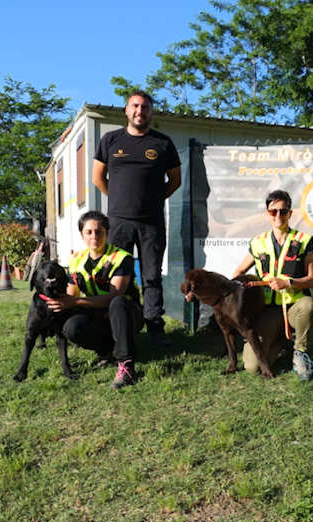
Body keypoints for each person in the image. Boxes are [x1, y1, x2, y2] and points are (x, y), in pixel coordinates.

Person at [92, 90, 181, 347]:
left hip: (151, 222)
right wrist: (118, 200)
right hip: (118, 222)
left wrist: (153, 201)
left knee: (152, 276)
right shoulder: (110, 140)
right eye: (135, 106)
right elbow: (98, 177)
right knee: (119, 275)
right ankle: (122, 325)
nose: (139, 111)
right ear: (126, 110)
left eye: (144, 107)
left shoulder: (162, 143)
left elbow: (175, 181)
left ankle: (155, 328)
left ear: (151, 112)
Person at [46, 211, 144, 389]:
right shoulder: (76, 260)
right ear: (82, 234)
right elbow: (72, 295)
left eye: (99, 231)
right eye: (89, 232)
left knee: (118, 303)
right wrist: (56, 301)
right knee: (71, 327)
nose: (94, 236)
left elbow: (114, 296)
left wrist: (74, 303)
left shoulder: (121, 258)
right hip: (97, 314)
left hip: (127, 315)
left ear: (107, 232)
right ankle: (106, 351)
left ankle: (126, 365)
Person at [233, 190, 313, 380]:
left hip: (294, 306)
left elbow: (312, 280)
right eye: (274, 211)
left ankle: (300, 351)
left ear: (290, 213)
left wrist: (287, 282)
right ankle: (281, 340)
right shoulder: (257, 243)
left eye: (283, 211)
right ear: (267, 214)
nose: (278, 215)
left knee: (308, 306)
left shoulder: (304, 240)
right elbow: (238, 273)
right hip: (268, 310)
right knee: (252, 366)